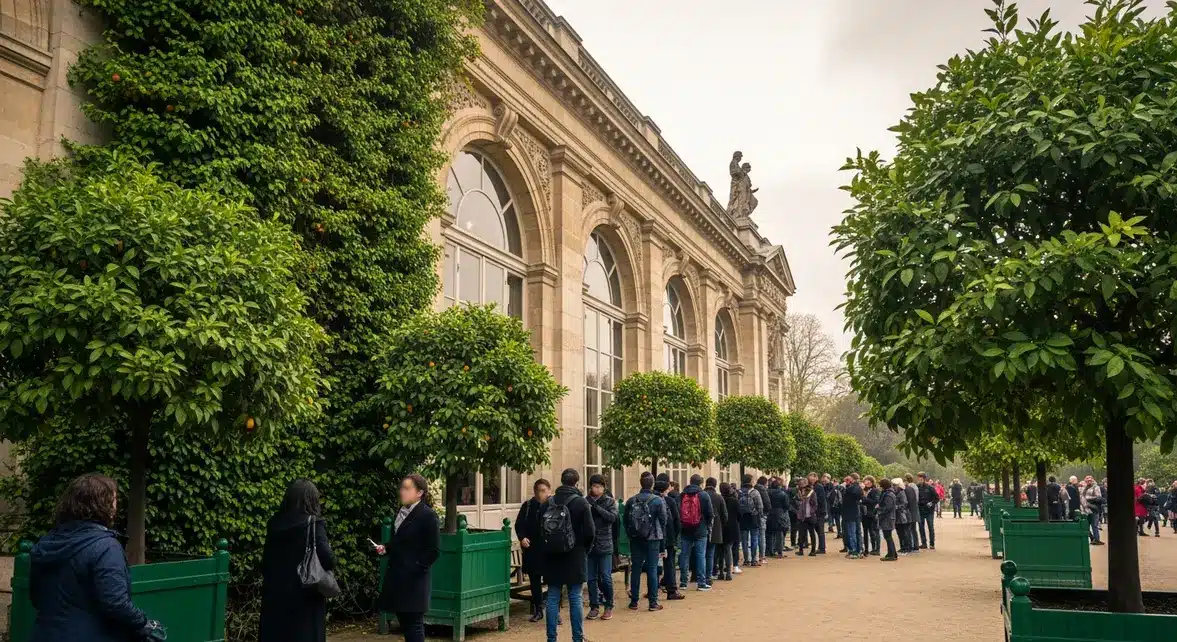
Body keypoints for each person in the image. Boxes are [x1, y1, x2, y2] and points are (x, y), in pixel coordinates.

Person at [29, 473, 156, 642]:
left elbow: (36, 595)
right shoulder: (105, 547)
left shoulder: (48, 541)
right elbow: (115, 602)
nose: (116, 506)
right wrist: (144, 623)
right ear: (102, 504)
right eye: (114, 499)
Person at [259, 479, 336, 642]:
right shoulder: (313, 524)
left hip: (275, 596)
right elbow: (328, 559)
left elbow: (266, 562)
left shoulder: (274, 523)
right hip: (305, 595)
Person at [376, 474, 440, 642]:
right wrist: (386, 547)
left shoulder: (428, 516)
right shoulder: (401, 513)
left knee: (414, 625)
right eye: (401, 488)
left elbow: (433, 551)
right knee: (405, 623)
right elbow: (402, 541)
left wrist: (415, 567)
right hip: (398, 579)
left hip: (414, 582)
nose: (401, 492)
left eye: (406, 488)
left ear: (419, 493)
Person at [538, 469, 595, 642]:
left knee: (553, 596)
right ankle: (577, 637)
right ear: (576, 483)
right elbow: (590, 532)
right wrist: (584, 549)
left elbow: (540, 530)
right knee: (575, 597)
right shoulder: (581, 503)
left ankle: (551, 638)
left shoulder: (548, 503)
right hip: (575, 554)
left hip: (552, 555)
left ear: (561, 481)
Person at [624, 472, 667, 612]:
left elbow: (626, 521)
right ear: (652, 483)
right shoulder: (657, 500)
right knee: (652, 569)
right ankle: (653, 602)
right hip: (653, 538)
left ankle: (634, 601)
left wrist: (632, 534)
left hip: (636, 538)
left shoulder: (631, 500)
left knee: (636, 569)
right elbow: (663, 521)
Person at [515, 479, 552, 622]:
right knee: (535, 582)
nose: (540, 494)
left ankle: (553, 610)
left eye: (543, 490)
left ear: (549, 491)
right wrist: (522, 538)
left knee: (553, 581)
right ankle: (538, 609)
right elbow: (519, 524)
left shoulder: (554, 506)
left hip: (549, 550)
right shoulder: (528, 506)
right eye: (537, 491)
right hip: (532, 550)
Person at [585, 475, 617, 620]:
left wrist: (596, 507)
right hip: (589, 545)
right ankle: (594, 606)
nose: (596, 489)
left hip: (605, 545)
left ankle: (609, 605)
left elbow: (612, 518)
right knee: (591, 578)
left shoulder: (609, 501)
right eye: (594, 486)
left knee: (605, 577)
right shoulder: (585, 501)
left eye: (599, 486)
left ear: (604, 488)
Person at [677, 474, 714, 592]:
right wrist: (707, 525)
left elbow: (678, 512)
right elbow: (710, 513)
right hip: (700, 529)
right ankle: (701, 582)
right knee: (700, 556)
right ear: (700, 483)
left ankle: (683, 582)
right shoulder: (704, 495)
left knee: (684, 555)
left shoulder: (682, 495)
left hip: (685, 529)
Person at [656, 476, 684, 600]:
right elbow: (677, 521)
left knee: (652, 565)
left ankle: (653, 589)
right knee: (670, 563)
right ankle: (672, 590)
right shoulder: (669, 501)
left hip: (651, 538)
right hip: (668, 537)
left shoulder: (649, 499)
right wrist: (675, 535)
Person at [738, 474, 765, 566]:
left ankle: (746, 560)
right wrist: (760, 516)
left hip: (743, 518)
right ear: (750, 481)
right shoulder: (755, 492)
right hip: (754, 517)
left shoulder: (739, 492)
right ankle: (754, 559)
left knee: (744, 540)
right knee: (754, 538)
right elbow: (760, 506)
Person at [704, 477, 727, 582]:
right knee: (711, 553)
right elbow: (724, 515)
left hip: (701, 526)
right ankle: (710, 573)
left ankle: (698, 574)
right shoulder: (719, 497)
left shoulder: (700, 495)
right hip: (715, 527)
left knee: (701, 552)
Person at [721, 482, 741, 577]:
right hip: (733, 526)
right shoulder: (734, 501)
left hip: (722, 527)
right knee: (731, 547)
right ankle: (731, 568)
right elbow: (739, 515)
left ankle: (721, 571)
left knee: (721, 549)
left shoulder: (720, 499)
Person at [840, 475, 863, 559]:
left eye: (848, 479)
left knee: (851, 533)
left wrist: (845, 486)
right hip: (855, 513)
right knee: (856, 533)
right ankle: (859, 550)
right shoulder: (857, 488)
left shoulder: (852, 488)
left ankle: (854, 551)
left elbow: (847, 494)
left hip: (850, 514)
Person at [795, 477, 819, 557]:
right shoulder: (799, 492)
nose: (801, 486)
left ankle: (813, 551)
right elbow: (797, 502)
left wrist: (811, 511)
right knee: (801, 534)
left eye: (802, 484)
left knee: (812, 533)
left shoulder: (812, 492)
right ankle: (801, 550)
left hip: (810, 516)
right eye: (800, 485)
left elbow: (815, 504)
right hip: (802, 516)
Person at [766, 478, 789, 558]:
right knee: (779, 533)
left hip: (770, 513)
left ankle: (769, 551)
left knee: (769, 533)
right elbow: (786, 505)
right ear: (779, 486)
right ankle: (779, 552)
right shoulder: (783, 494)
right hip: (779, 513)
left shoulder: (767, 493)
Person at [878, 478, 899, 561]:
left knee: (888, 536)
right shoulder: (889, 493)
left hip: (888, 518)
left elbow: (888, 507)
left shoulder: (888, 494)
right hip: (889, 517)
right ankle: (892, 553)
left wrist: (880, 511)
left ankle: (892, 555)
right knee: (888, 536)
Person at [1079, 475, 1104, 545]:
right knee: (1085, 526)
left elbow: (1099, 497)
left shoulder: (1096, 487)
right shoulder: (1084, 488)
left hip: (1093, 509)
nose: (1088, 481)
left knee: (1094, 525)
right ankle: (1092, 538)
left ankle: (1097, 540)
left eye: (1090, 480)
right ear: (1085, 480)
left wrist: (1088, 498)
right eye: (1087, 480)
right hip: (1085, 510)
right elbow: (1081, 497)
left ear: (1092, 480)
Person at [861, 476, 881, 556]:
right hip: (865, 514)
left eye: (868, 482)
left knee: (874, 532)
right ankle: (866, 549)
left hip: (872, 514)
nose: (867, 484)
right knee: (865, 532)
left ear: (872, 482)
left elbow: (876, 501)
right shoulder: (864, 490)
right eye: (865, 482)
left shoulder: (876, 490)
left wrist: (865, 499)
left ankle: (876, 549)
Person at [809, 472, 829, 554]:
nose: (811, 481)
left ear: (816, 478)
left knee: (820, 530)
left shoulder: (819, 487)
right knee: (817, 529)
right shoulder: (813, 486)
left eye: (812, 479)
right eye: (810, 479)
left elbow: (821, 499)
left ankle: (822, 548)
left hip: (819, 511)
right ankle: (821, 547)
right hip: (816, 511)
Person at [754, 476, 772, 562]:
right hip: (762, 515)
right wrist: (766, 512)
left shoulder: (753, 490)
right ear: (765, 483)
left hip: (752, 516)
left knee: (752, 537)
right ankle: (762, 556)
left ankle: (753, 557)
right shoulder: (763, 491)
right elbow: (767, 504)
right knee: (761, 536)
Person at [894, 477, 912, 554]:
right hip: (899, 515)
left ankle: (906, 547)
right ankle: (903, 547)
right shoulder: (898, 492)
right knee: (900, 532)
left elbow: (904, 503)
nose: (894, 486)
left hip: (902, 515)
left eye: (895, 485)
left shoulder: (901, 492)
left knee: (904, 532)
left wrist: (896, 507)